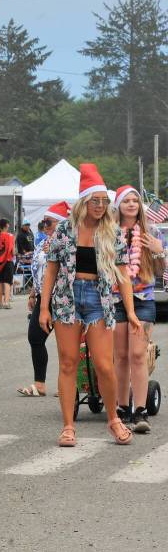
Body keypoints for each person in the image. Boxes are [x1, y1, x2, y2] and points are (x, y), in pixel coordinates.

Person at [39, 164, 141, 447]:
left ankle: (113, 419)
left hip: (99, 299)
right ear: (83, 201)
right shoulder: (63, 229)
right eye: (94, 201)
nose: (100, 206)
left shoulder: (112, 231)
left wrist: (130, 311)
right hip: (67, 297)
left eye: (104, 201)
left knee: (103, 365)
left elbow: (123, 276)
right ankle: (68, 426)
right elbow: (51, 270)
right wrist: (44, 308)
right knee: (68, 362)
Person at [111, 185, 165, 433]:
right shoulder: (109, 233)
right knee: (120, 356)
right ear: (119, 206)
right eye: (126, 201)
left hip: (142, 299)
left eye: (135, 201)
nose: (131, 205)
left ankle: (140, 411)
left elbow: (159, 271)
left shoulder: (150, 232)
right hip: (115, 300)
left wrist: (158, 252)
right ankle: (122, 408)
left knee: (138, 355)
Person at [17, 202, 68, 397]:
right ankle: (40, 384)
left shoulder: (68, 242)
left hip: (63, 297)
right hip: (43, 297)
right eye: (44, 222)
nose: (45, 226)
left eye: (49, 222)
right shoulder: (42, 243)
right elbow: (38, 271)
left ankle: (66, 384)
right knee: (35, 337)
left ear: (61, 223)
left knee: (66, 345)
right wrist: (33, 293)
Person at [0, 218, 16, 309]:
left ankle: (0, 303)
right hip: (7, 261)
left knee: (0, 282)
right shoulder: (9, 236)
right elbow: (13, 252)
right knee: (7, 282)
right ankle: (6, 302)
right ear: (6, 225)